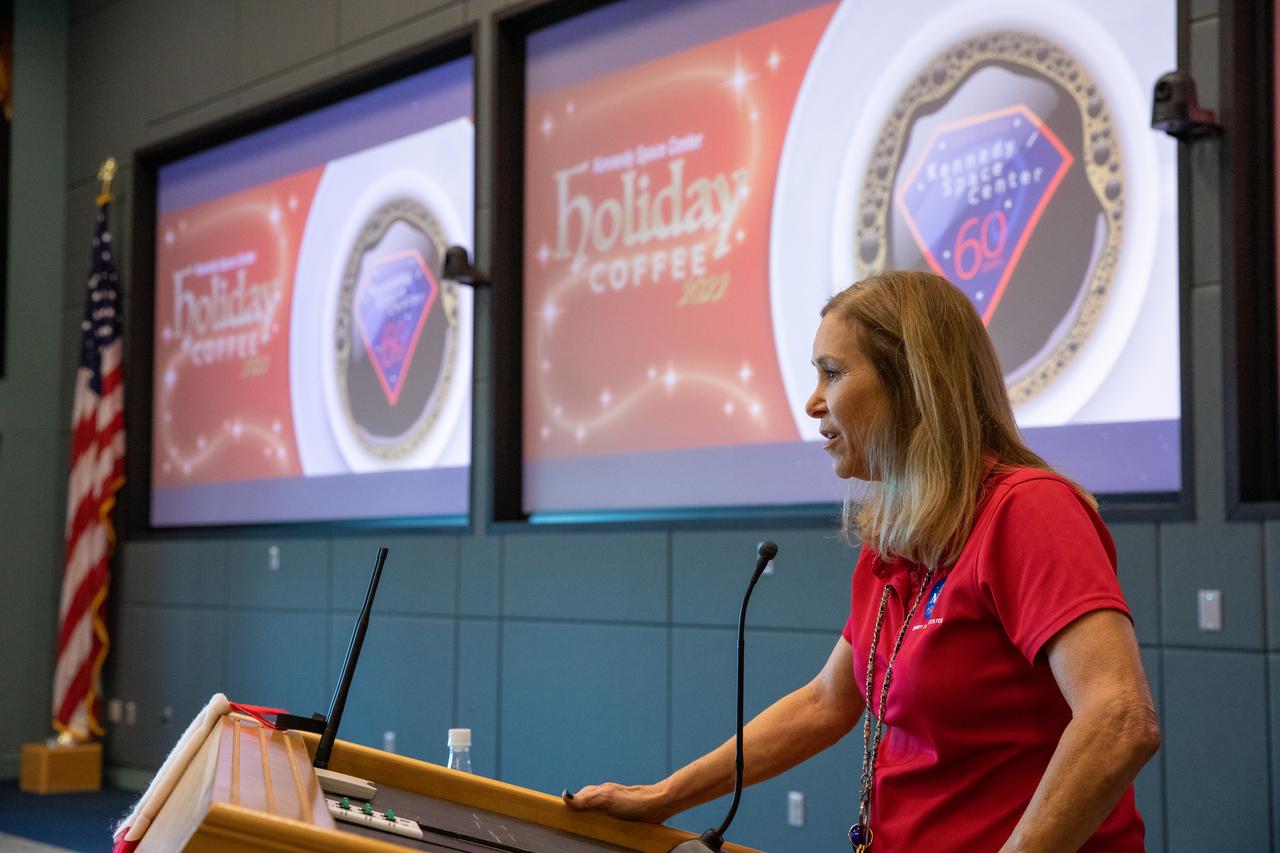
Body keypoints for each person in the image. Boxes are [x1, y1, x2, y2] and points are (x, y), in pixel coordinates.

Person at [564, 270, 1161, 851]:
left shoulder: (1027, 510)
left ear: (913, 381)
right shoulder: (900, 539)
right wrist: (664, 798)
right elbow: (827, 702)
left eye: (832, 373)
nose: (812, 402)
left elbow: (1120, 718)